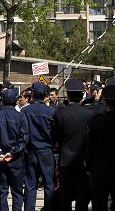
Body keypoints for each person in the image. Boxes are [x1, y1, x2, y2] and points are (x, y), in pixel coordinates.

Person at [54, 78, 91, 211]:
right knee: (82, 195)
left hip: (65, 160)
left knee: (65, 195)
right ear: (82, 96)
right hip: (83, 161)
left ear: (68, 95)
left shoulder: (60, 114)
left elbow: (57, 138)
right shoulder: (89, 114)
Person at [0, 89, 29, 211]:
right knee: (17, 191)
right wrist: (12, 152)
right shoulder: (20, 116)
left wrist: (0, 153)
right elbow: (24, 138)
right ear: (16, 101)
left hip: (1, 159)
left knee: (2, 191)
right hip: (16, 159)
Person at [21, 82, 56, 211]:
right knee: (49, 184)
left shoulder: (25, 110)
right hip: (46, 150)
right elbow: (55, 132)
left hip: (30, 151)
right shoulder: (51, 111)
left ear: (33, 94)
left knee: (30, 185)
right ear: (46, 96)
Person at [86, 84, 115, 211]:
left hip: (100, 169)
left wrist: (89, 167)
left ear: (106, 101)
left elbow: (90, 147)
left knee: (99, 203)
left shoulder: (97, 122)